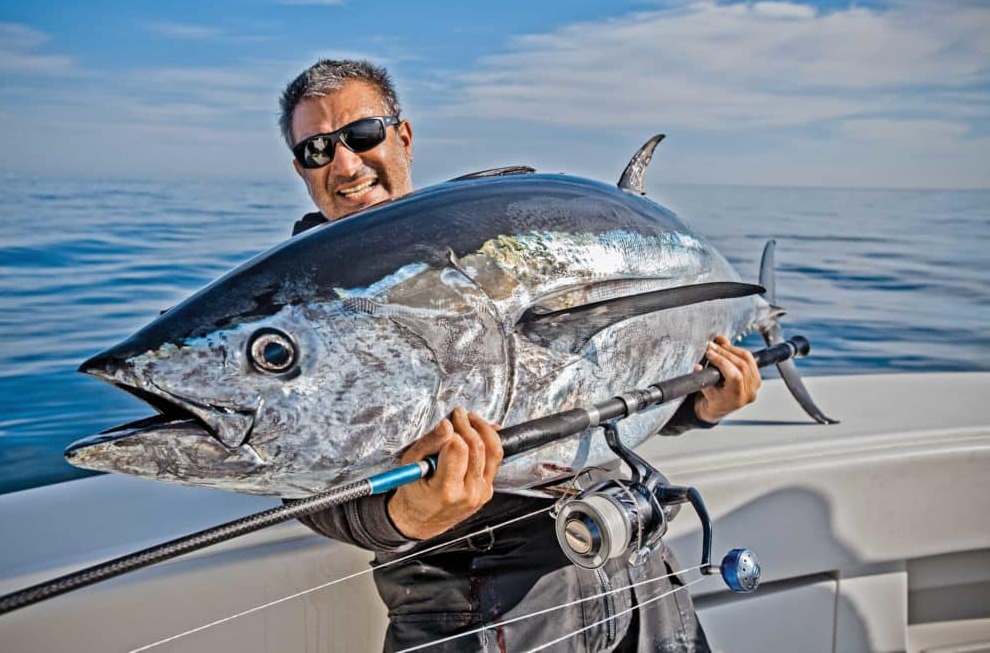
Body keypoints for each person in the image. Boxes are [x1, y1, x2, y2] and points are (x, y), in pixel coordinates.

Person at [279, 59, 761, 652]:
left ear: (402, 136)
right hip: (476, 613)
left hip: (637, 576)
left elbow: (607, 377)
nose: (345, 164)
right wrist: (407, 514)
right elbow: (295, 468)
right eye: (316, 150)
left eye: (361, 135)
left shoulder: (479, 240)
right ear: (302, 170)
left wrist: (701, 405)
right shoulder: (302, 301)